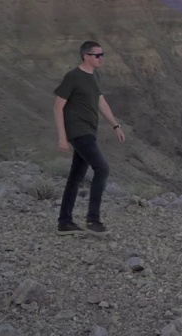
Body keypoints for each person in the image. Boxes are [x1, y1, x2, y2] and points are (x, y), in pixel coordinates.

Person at [53, 40, 125, 233]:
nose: (101, 58)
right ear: (86, 56)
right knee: (102, 168)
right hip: (79, 132)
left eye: (103, 55)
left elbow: (101, 101)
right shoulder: (73, 77)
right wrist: (62, 136)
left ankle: (64, 222)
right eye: (97, 55)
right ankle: (93, 220)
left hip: (89, 131)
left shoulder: (94, 76)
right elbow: (58, 106)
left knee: (75, 177)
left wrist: (115, 125)